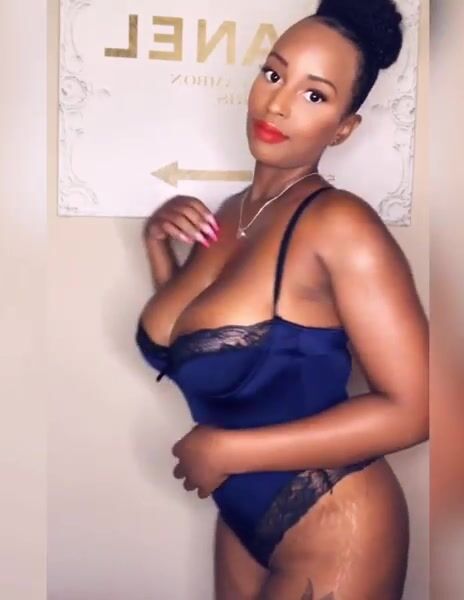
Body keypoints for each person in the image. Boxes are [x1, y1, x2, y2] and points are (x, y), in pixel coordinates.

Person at [135, 0, 428, 597]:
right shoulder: (228, 215)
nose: (277, 103)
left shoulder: (340, 225)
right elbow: (198, 345)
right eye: (274, 73)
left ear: (344, 127)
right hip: (240, 520)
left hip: (336, 522)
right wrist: (158, 247)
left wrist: (229, 449)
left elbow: (417, 410)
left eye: (314, 94)